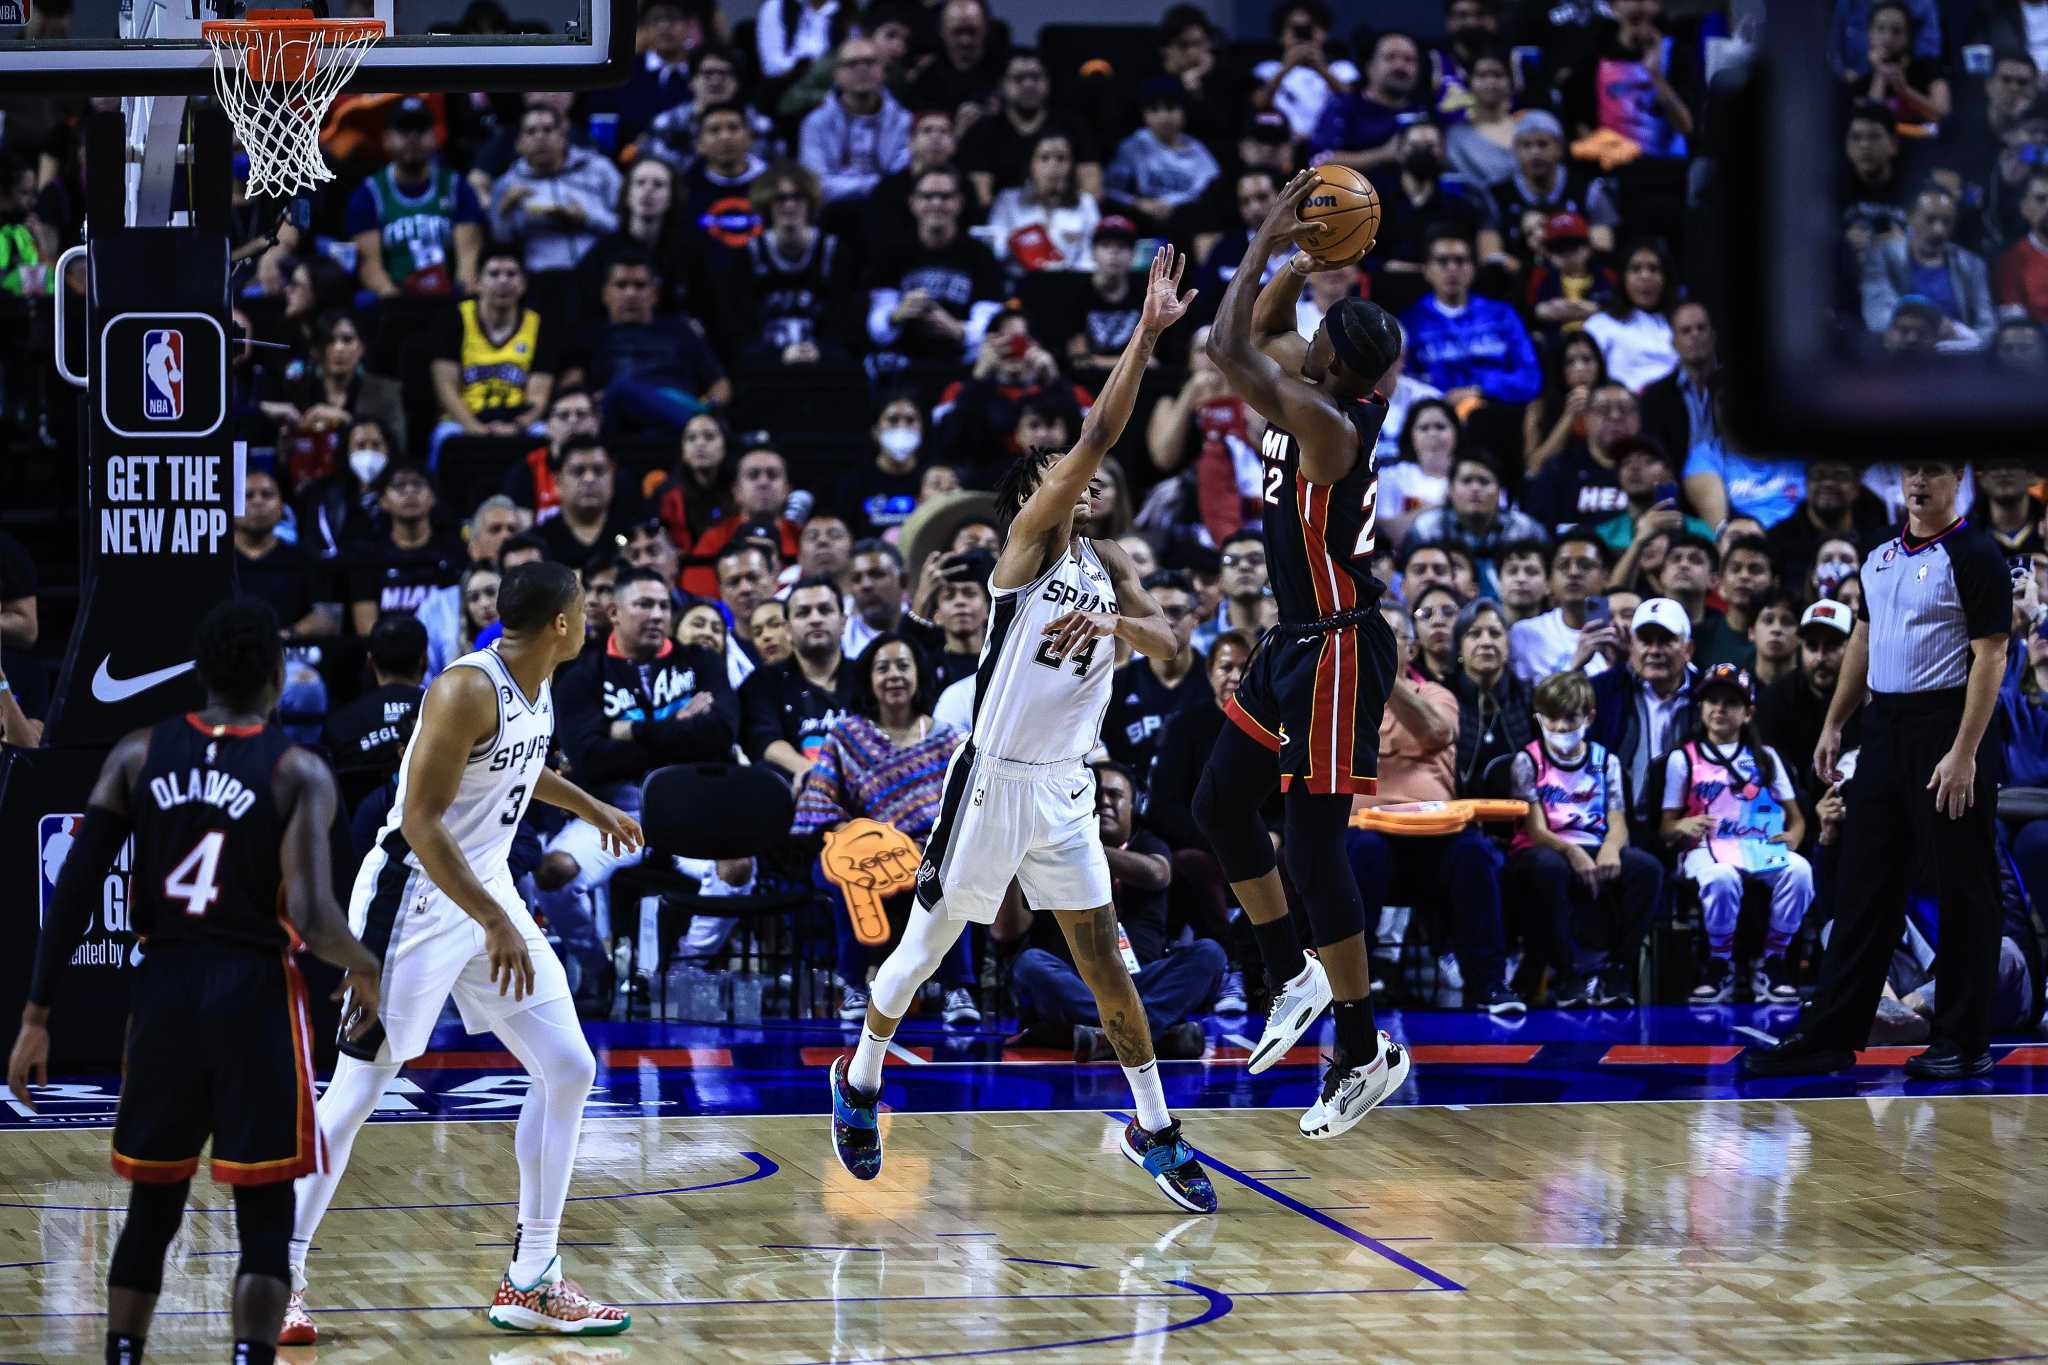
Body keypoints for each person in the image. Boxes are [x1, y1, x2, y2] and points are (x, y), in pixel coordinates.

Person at [828, 246, 1218, 1212]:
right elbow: (1097, 433)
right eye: (1062, 474)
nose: (1084, 478)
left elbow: (1171, 647)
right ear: (1035, 495)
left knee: (1107, 962)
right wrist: (1147, 335)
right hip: (991, 780)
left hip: (1065, 786)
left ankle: (1154, 1128)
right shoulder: (1027, 550)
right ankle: (862, 1076)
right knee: (920, 954)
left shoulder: (1112, 555)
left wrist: (1123, 623)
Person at [8, 599, 383, 1365]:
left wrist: (37, 1011)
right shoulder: (297, 768)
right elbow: (312, 915)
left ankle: (122, 1355)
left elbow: (75, 888)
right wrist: (366, 962)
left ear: (200, 673)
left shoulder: (137, 753)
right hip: (254, 997)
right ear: (278, 679)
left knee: (152, 1206)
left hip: (165, 993)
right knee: (265, 1216)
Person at [286, 563, 644, 1339]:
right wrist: (496, 919)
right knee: (354, 1096)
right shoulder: (464, 688)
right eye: (586, 606)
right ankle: (277, 1272)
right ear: (561, 621)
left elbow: (517, 764)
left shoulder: (533, 677)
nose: (593, 614)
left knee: (570, 1067)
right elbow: (418, 820)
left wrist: (592, 804)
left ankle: (533, 1278)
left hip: (482, 893)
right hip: (412, 900)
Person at [1193, 171, 1413, 1139]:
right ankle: (1291, 973)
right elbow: (1269, 332)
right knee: (1215, 802)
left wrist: (1270, 235)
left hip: (1334, 650)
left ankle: (1362, 1047)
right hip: (1292, 642)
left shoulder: (1324, 422)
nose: (1308, 330)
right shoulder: (1321, 389)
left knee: (1317, 848)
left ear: (1332, 361)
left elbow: (1226, 343)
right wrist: (1304, 256)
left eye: (1321, 328)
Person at [1745, 460, 2013, 1080]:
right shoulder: (1879, 556)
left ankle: (1964, 1040)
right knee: (1864, 885)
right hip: (1884, 726)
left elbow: (1991, 655)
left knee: (1963, 885)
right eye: (1911, 471)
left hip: (1950, 726)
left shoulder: (1976, 554)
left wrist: (1965, 751)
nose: (1919, 482)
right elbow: (1863, 638)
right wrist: (1836, 723)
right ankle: (1832, 1034)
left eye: (1934, 472)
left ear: (1958, 481)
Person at [793, 633, 979, 1022]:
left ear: (918, 675)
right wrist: (858, 837)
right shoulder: (847, 736)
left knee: (953, 871)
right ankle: (855, 985)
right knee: (849, 869)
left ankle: (956, 990)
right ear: (868, 679)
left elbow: (967, 810)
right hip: (860, 849)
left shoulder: (950, 740)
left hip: (929, 852)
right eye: (883, 668)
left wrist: (927, 848)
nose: (893, 675)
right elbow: (818, 799)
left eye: (902, 666)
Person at [1344, 603, 1519, 1013]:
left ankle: (1489, 987)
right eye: (1372, 639)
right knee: (1360, 853)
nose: (1379, 647)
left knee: (1475, 853)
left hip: (1436, 835)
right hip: (1366, 835)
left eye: (1389, 639)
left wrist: (1384, 675)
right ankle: (1353, 991)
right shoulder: (1337, 701)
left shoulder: (1436, 693)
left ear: (1410, 649)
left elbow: (1437, 732)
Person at [1012, 761, 1226, 1059]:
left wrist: (1082, 848)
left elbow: (1157, 874)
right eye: (1097, 795)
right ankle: (1155, 1037)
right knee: (1031, 964)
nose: (1104, 802)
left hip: (1141, 982)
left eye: (1115, 795)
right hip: (1079, 981)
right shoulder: (1051, 852)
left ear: (1134, 805)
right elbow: (1006, 932)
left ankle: (1102, 1038)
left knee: (1209, 954)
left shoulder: (1148, 843)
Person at [1506, 669, 1664, 1006]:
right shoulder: (1527, 761)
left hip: (1594, 841)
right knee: (1550, 869)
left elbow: (1618, 821)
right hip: (1545, 846)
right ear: (1539, 718)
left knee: (1647, 869)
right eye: (1552, 718)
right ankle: (1567, 973)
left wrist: (1610, 849)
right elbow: (1535, 830)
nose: (1561, 727)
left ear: (1589, 717)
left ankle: (1617, 970)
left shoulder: (1606, 761)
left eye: (1570, 718)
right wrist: (1572, 853)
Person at [1660, 663, 1811, 1005]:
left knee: (1800, 871)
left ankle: (1772, 961)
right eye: (1712, 700)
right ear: (1700, 707)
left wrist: (1792, 839)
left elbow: (1797, 819)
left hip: (1756, 846)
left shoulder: (1766, 758)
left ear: (1748, 713)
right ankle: (1719, 963)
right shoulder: (1684, 759)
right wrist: (1681, 826)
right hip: (1704, 850)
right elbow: (1665, 829)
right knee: (1721, 877)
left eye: (1730, 702)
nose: (1720, 708)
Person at [346, 96, 485, 298]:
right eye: (403, 130)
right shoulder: (369, 193)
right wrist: (396, 300)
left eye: (420, 130)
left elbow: (468, 261)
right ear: (386, 138)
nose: (412, 137)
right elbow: (370, 266)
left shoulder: (457, 187)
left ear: (436, 137)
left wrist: (458, 298)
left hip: (448, 298)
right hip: (395, 299)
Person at [428, 245, 557, 461]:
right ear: (477, 282)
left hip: (517, 420)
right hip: (464, 420)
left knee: (545, 434)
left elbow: (538, 396)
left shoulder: (539, 327)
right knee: (443, 436)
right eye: (494, 274)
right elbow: (445, 388)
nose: (503, 281)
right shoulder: (453, 320)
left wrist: (516, 427)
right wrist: (475, 428)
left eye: (511, 274)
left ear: (523, 284)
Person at [741, 576, 855, 784]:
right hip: (797, 791)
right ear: (787, 629)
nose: (815, 619)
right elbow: (765, 740)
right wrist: (815, 773)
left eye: (825, 610)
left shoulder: (867, 675)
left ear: (843, 622)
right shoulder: (762, 682)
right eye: (803, 613)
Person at [489, 102, 621, 277]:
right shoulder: (507, 184)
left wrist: (586, 218)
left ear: (563, 137)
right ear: (519, 143)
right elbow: (501, 244)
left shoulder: (598, 169)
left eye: (548, 130)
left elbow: (624, 225)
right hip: (539, 277)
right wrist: (504, 210)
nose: (540, 137)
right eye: (531, 131)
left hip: (599, 271)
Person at [1103, 569, 1209, 775]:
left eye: (1176, 611)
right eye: (1156, 613)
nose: (1167, 622)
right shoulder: (1116, 686)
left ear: (1195, 619)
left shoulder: (1217, 681)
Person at [799, 35, 913, 204]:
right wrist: (879, 184)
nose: (862, 69)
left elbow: (903, 179)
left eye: (869, 62)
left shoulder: (903, 121)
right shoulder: (815, 123)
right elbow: (816, 185)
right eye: (852, 64)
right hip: (834, 213)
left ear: (882, 70)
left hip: (889, 208)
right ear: (836, 75)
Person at [1582, 239, 1679, 393]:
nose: (1645, 276)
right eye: (1636, 269)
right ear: (1623, 277)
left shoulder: (1681, 324)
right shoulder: (1600, 325)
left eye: (1653, 269)